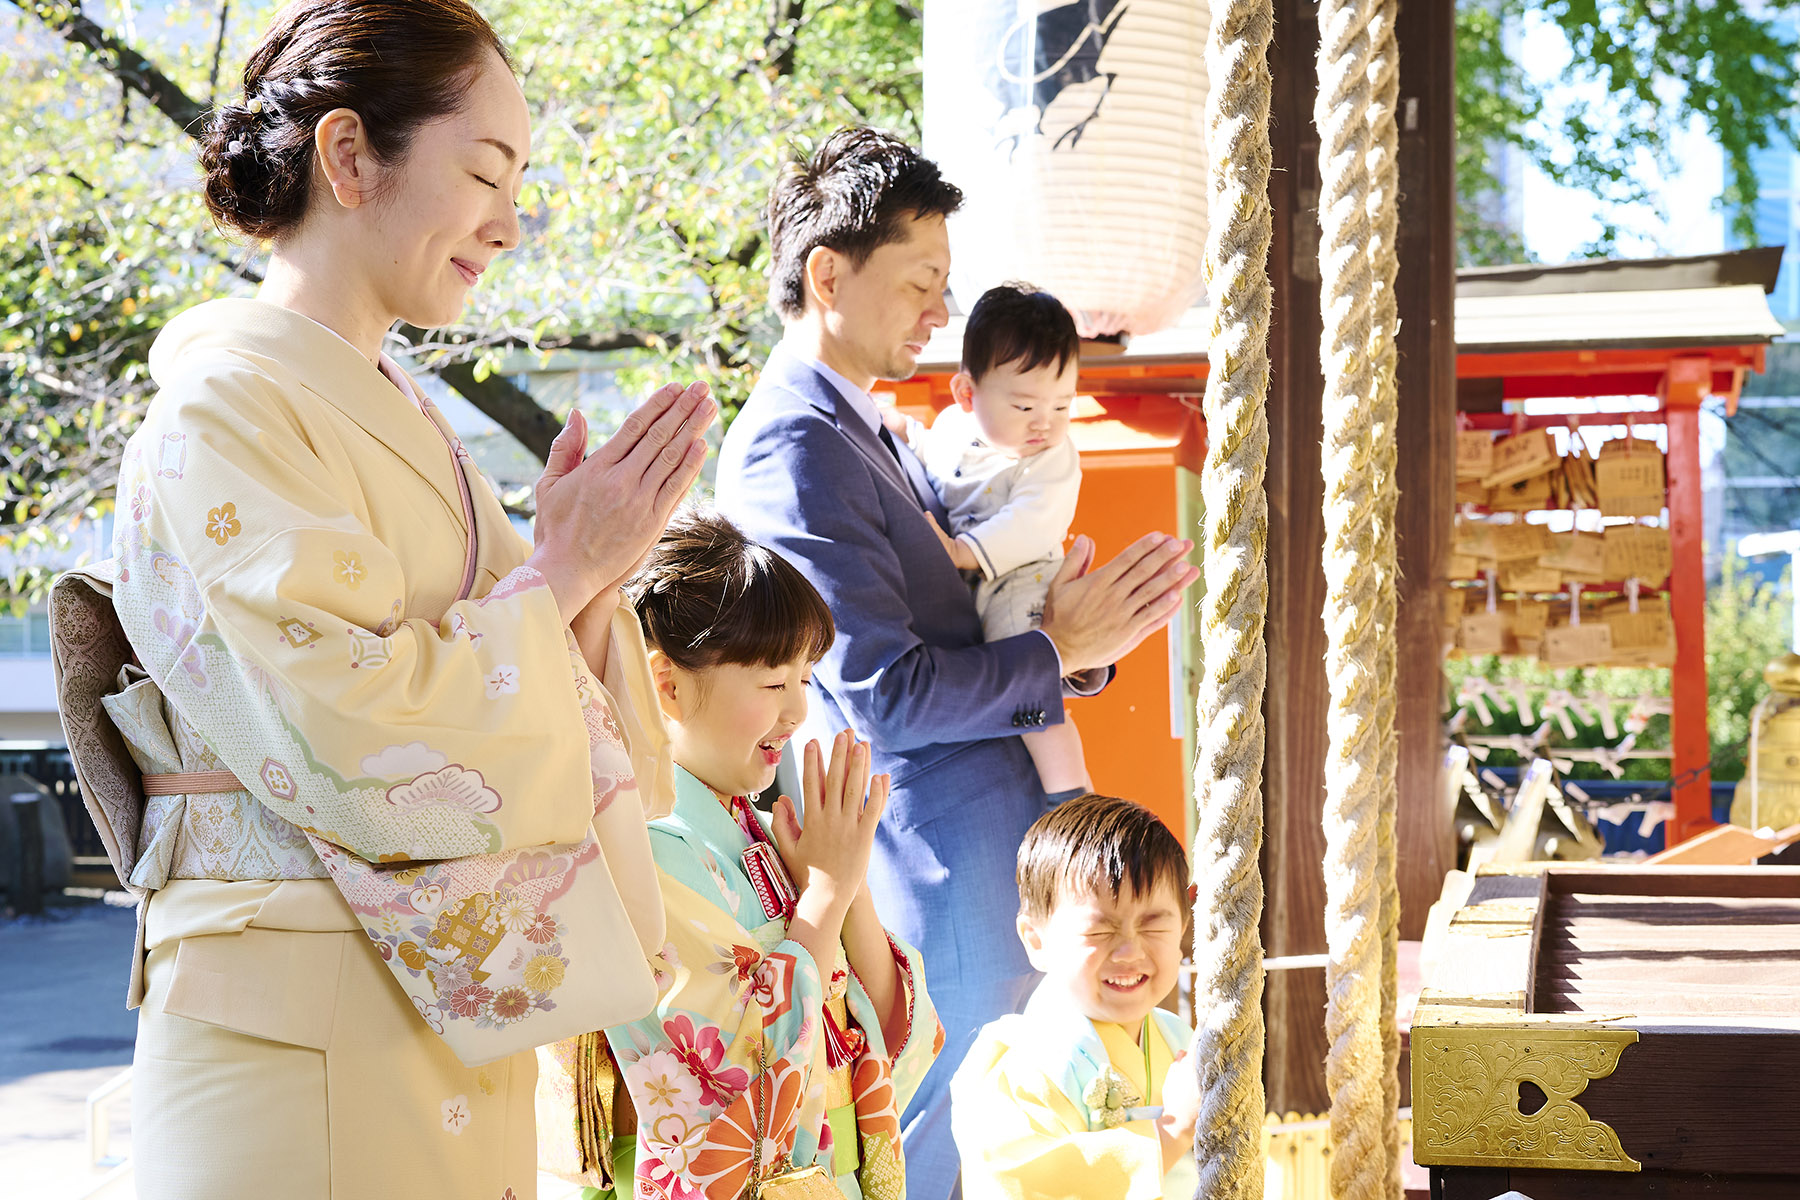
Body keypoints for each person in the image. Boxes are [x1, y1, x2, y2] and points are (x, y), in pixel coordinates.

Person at [93, 2, 712, 1194]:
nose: (510, 223)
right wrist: (564, 571)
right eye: (485, 172)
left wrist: (584, 574)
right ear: (347, 155)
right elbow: (344, 724)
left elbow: (521, 676)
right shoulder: (226, 404)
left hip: (426, 1014)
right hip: (293, 1026)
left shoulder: (414, 424)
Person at [715, 125, 1199, 1199]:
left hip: (974, 828)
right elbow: (879, 695)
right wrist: (1058, 647)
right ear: (827, 276)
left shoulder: (866, 433)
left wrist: (1064, 646)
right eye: (922, 282)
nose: (943, 311)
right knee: (956, 1116)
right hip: (928, 841)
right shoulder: (793, 444)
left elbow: (951, 632)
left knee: (1010, 1109)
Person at [605, 511, 940, 1200]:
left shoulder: (759, 833)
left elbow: (887, 1037)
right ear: (665, 683)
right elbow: (734, 1071)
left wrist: (845, 885)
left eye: (805, 682)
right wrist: (822, 894)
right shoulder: (645, 849)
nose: (796, 714)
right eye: (771, 683)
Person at [950, 794, 1200, 1200]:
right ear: (1037, 940)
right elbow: (1024, 1182)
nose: (1130, 951)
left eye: (1153, 925)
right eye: (1099, 931)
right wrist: (1172, 1132)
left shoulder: (1179, 1042)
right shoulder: (1018, 1065)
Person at [892, 282, 1089, 794]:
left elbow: (1034, 521)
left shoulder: (1052, 460)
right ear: (966, 394)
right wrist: (905, 431)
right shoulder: (956, 428)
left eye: (1063, 406)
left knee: (1030, 682)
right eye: (1025, 407)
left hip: (1023, 578)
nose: (1045, 423)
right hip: (973, 583)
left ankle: (1070, 791)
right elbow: (936, 459)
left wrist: (963, 551)